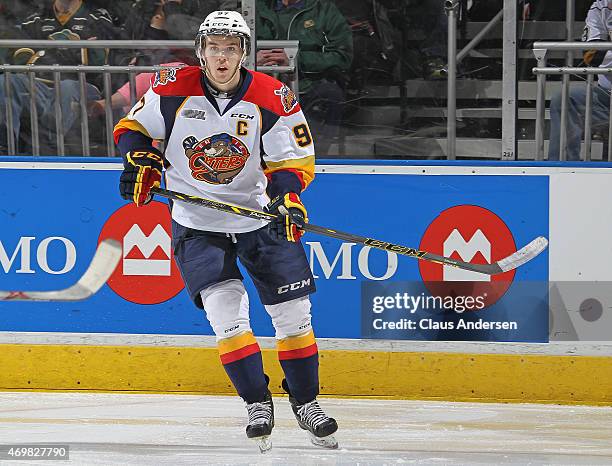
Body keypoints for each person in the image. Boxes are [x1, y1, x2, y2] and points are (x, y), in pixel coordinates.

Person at [113, 11, 338, 452]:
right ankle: (257, 402)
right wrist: (139, 158)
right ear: (201, 51)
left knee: (293, 316)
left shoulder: (273, 95)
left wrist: (287, 196)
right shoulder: (171, 86)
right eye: (214, 47)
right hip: (198, 225)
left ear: (243, 54)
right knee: (226, 317)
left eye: (231, 48)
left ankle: (306, 403)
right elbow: (133, 128)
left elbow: (290, 161)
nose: (221, 55)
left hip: (259, 220)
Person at [0, 0, 117, 154]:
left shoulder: (98, 17)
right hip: (38, 85)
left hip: (82, 85)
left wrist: (43, 53)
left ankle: (49, 151)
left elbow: (98, 60)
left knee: (67, 87)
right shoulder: (35, 19)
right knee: (6, 81)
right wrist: (76, 51)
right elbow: (22, 57)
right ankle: (5, 148)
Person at [256, 0, 353, 156]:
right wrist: (250, 59)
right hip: (264, 86)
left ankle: (316, 158)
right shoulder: (254, 8)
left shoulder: (324, 10)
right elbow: (231, 46)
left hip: (309, 85)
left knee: (331, 94)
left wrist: (297, 59)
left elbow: (342, 56)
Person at [548, 0, 612, 161]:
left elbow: (603, 53)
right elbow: (592, 56)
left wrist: (607, 49)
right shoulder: (600, 5)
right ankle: (563, 171)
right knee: (565, 99)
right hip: (607, 96)